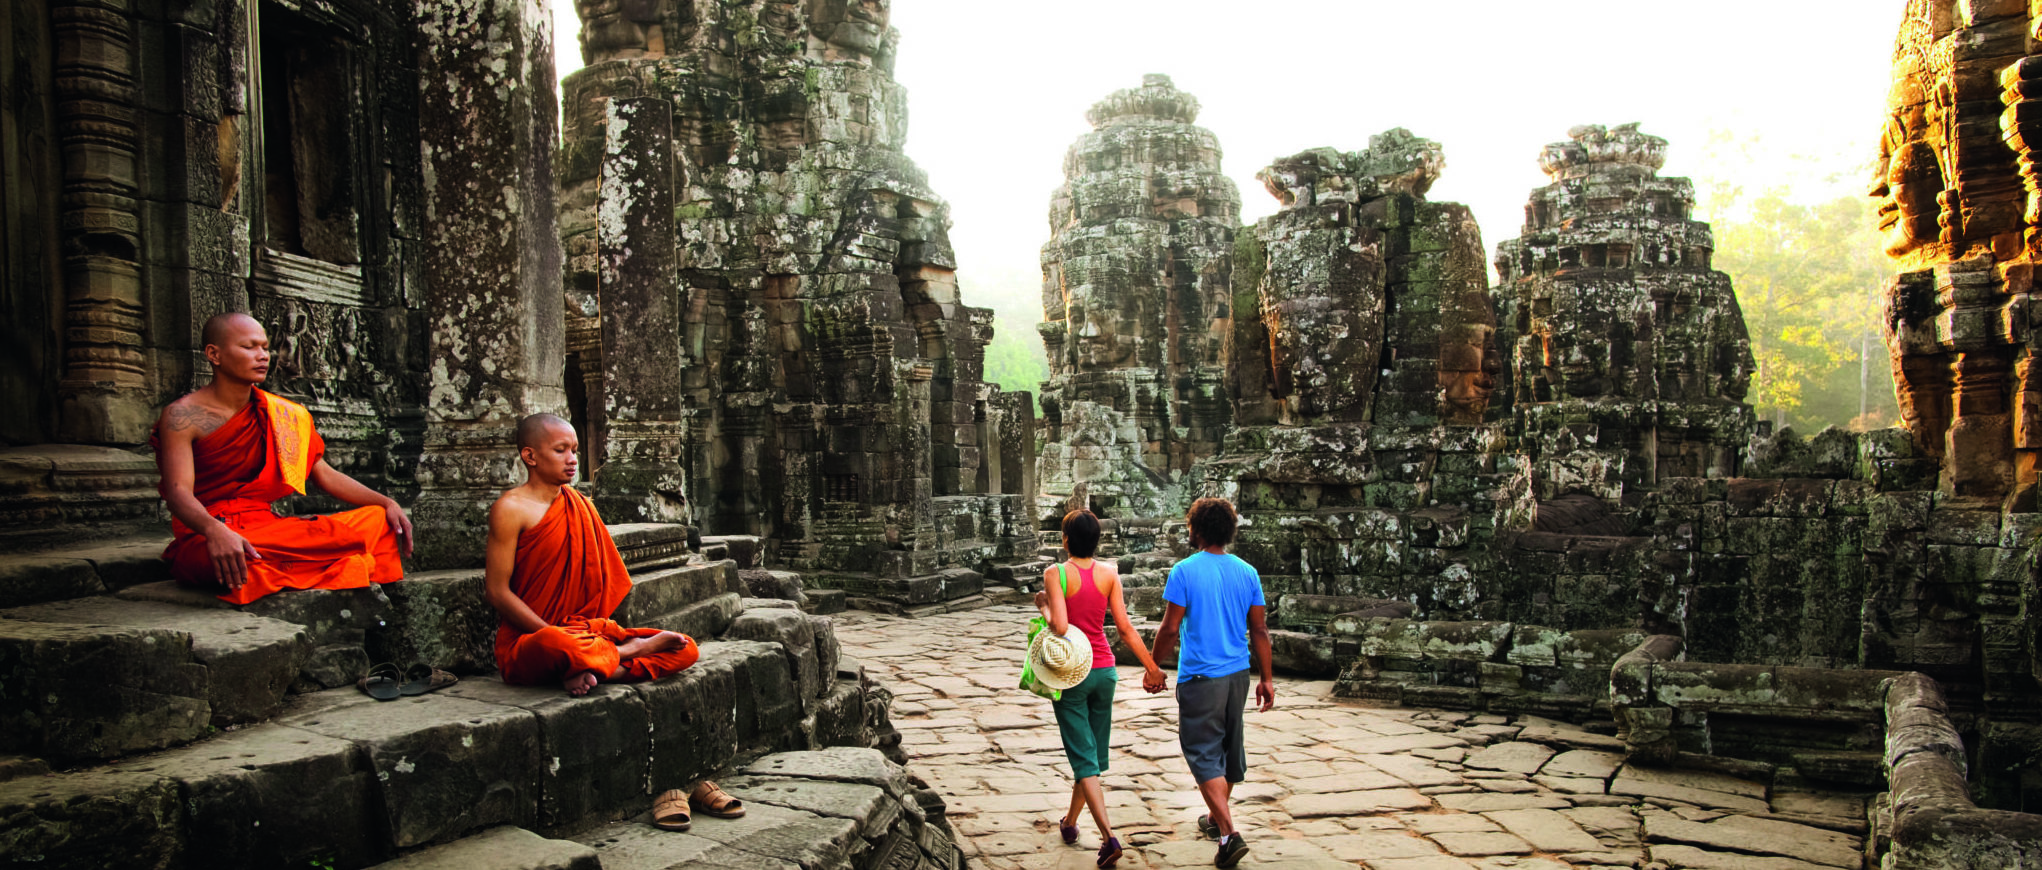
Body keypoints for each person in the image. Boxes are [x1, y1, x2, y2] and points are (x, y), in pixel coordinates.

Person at [154, 312, 410, 605]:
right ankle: (325, 564)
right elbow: (177, 493)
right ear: (214, 354)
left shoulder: (281, 414)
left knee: (377, 519)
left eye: (264, 347)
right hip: (208, 532)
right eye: (249, 347)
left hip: (268, 528)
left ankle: (280, 569)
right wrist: (214, 530)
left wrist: (386, 502)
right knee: (229, 557)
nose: (262, 356)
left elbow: (323, 474)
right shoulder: (182, 416)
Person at [485, 413, 698, 695]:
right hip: (531, 641)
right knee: (560, 645)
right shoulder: (510, 508)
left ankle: (587, 667)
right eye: (560, 450)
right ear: (530, 456)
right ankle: (619, 656)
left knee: (687, 648)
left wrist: (580, 639)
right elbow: (497, 591)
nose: (572, 459)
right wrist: (553, 633)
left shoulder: (580, 505)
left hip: (584, 632)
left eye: (574, 450)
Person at [1037, 509, 1167, 869]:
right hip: (1105, 671)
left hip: (1071, 676)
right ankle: (1070, 822)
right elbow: (1124, 628)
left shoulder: (1056, 573)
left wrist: (1045, 608)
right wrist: (1152, 667)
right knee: (1090, 757)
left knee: (1084, 759)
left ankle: (1109, 836)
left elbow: (1060, 627)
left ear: (1065, 540)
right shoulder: (1110, 574)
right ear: (1098, 541)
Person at [1149, 497, 1273, 869]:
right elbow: (1260, 629)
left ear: (1198, 529)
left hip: (1201, 676)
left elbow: (1171, 628)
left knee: (1203, 753)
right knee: (1227, 752)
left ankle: (1229, 833)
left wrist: (1153, 665)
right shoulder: (1247, 572)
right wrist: (1266, 678)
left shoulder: (1184, 571)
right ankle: (1215, 818)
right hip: (1237, 675)